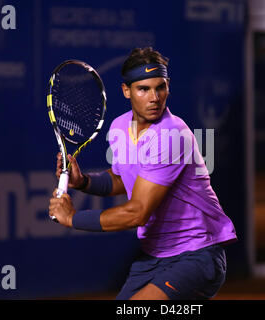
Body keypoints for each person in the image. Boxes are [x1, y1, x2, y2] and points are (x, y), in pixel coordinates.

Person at [49, 47, 237, 300]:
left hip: (197, 254)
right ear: (126, 91)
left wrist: (73, 219)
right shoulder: (119, 127)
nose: (154, 97)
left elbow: (137, 212)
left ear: (168, 86)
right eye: (144, 89)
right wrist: (83, 181)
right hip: (154, 256)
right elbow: (121, 179)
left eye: (160, 87)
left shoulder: (171, 135)